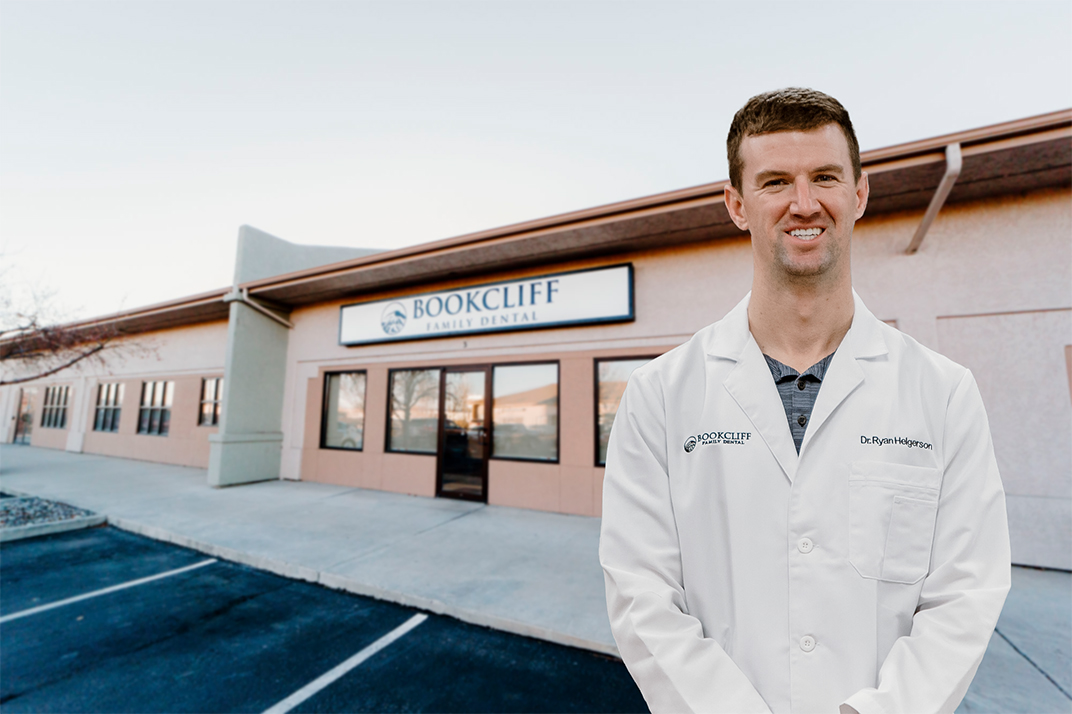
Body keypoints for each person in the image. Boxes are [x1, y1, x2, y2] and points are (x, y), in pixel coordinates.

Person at [598, 88, 1010, 714]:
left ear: (859, 194)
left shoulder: (943, 394)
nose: (804, 202)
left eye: (824, 177)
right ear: (736, 204)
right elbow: (641, 597)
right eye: (775, 182)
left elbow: (965, 595)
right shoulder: (660, 397)